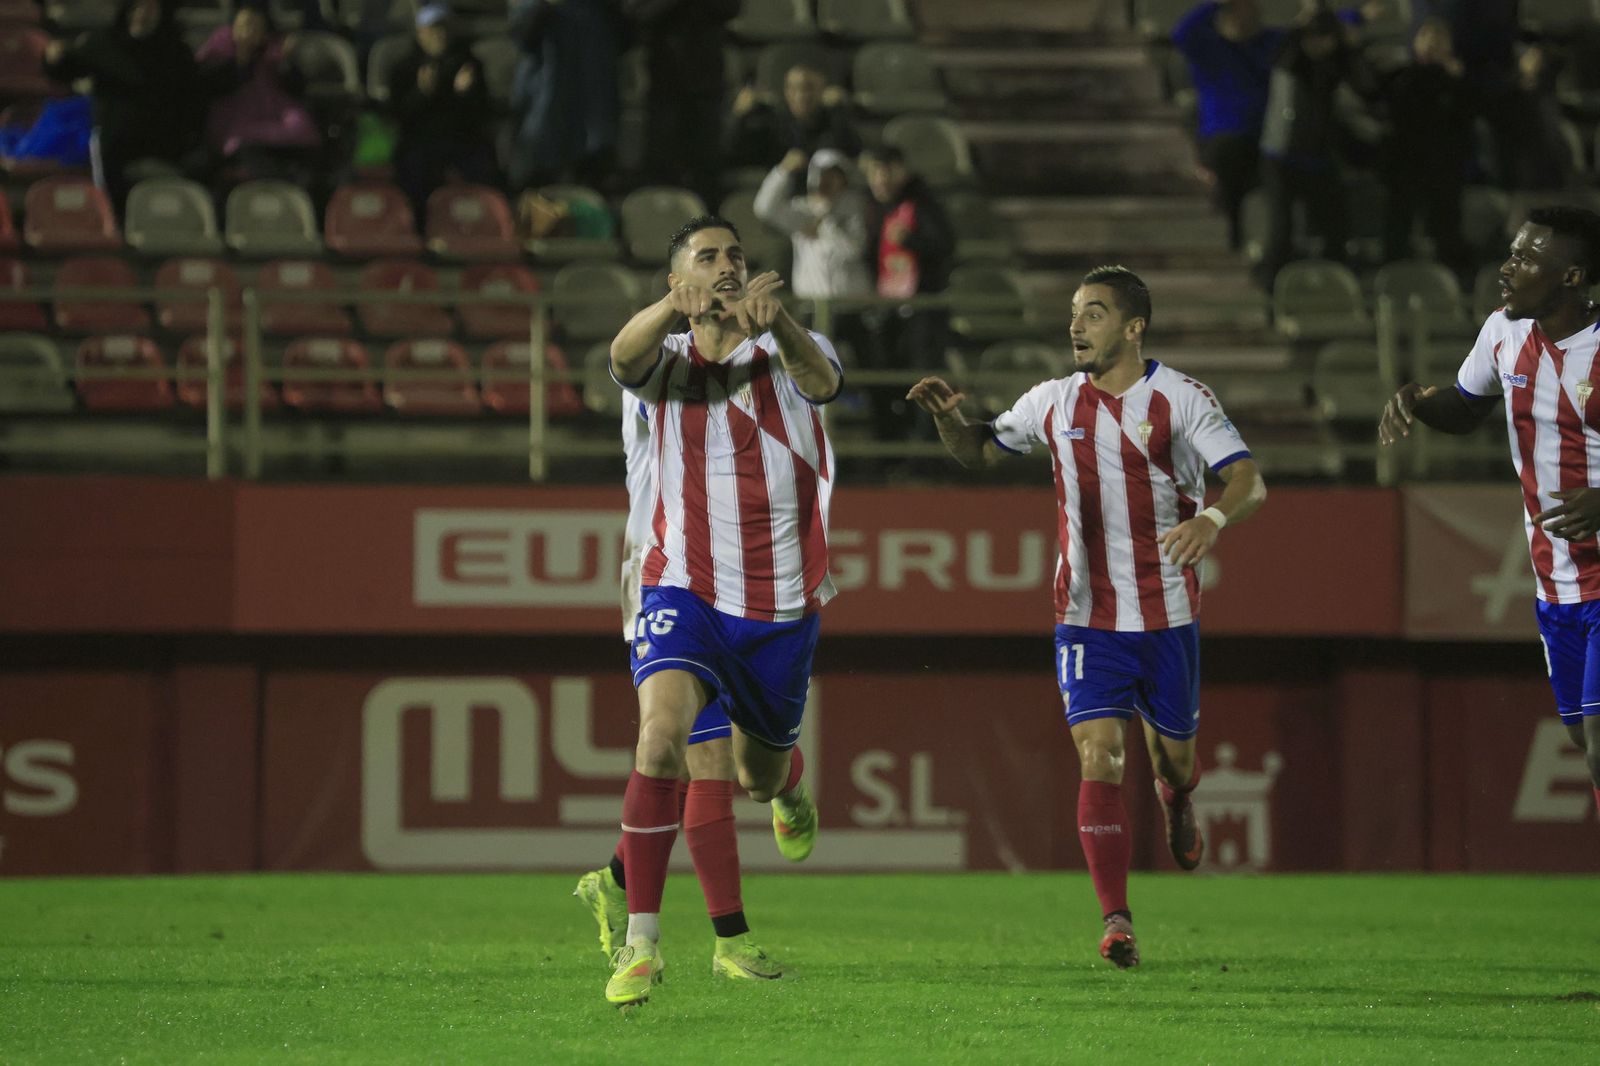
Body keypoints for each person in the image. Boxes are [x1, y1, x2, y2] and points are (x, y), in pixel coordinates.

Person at [907, 265, 1267, 968]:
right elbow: (980, 449)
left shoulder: (1181, 398)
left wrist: (1213, 519)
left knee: (1175, 761)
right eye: (1074, 312)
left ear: (1134, 328)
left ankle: (1177, 796)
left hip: (1166, 614)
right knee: (1100, 755)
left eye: (1094, 313)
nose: (1076, 325)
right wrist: (951, 422)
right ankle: (1116, 919)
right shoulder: (1052, 400)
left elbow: (1249, 480)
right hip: (1085, 616)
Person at [601, 216, 841, 1007]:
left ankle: (787, 784)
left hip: (778, 603)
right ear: (680, 281)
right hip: (682, 586)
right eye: (708, 257)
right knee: (661, 741)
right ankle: (642, 945)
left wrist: (785, 325)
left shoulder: (789, 347)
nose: (728, 265)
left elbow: (823, 383)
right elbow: (621, 359)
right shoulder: (662, 357)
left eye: (736, 254)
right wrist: (671, 308)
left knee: (755, 775)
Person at [1379, 206, 1600, 819]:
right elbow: (1466, 406)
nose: (1508, 267)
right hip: (1557, 584)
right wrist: (1420, 402)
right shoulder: (1503, 332)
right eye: (1512, 252)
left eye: (1527, 258)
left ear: (1572, 277)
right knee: (1583, 739)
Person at [570, 398, 792, 986]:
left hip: (729, 572)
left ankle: (618, 881)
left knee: (712, 759)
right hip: (668, 572)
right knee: (705, 753)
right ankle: (727, 940)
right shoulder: (662, 368)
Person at [42, 0, 206, 217]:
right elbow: (69, 69)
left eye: (151, 9)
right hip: (115, 142)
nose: (142, 14)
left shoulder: (177, 52)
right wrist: (54, 60)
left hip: (163, 144)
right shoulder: (106, 44)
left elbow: (192, 100)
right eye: (138, 7)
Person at [1171, 0, 1282, 252]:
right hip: (1224, 138)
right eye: (1237, 11)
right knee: (1227, 189)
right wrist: (1217, 3)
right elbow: (1182, 33)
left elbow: (1309, 35)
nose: (1244, 17)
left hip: (1264, 138)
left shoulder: (1267, 43)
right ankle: (1230, 245)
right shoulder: (1209, 46)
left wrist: (1357, 16)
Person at [862, 145, 954, 444]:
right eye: (875, 172)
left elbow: (945, 246)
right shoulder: (875, 206)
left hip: (923, 310)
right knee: (888, 378)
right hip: (890, 309)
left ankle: (926, 456)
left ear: (901, 171)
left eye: (886, 171)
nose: (880, 179)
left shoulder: (923, 202)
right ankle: (894, 451)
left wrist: (911, 240)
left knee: (924, 381)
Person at [1257, 11, 1356, 287]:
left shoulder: (1335, 65)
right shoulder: (1290, 60)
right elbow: (1288, 54)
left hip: (1318, 157)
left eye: (1324, 38)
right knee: (1281, 228)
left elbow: (1363, 83)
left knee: (1335, 226)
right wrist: (1300, 26)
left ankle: (1336, 283)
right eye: (1312, 37)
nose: (1318, 44)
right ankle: (1271, 284)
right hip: (1281, 156)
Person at [752, 147, 874, 367]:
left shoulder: (854, 206)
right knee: (815, 370)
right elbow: (764, 208)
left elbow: (854, 249)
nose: (828, 181)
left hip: (852, 308)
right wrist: (783, 171)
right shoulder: (802, 209)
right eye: (823, 175)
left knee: (868, 367)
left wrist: (825, 225)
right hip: (813, 309)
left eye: (834, 175)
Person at [1369, 17, 1472, 272]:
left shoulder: (1457, 81)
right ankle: (1393, 275)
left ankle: (1450, 278)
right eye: (1426, 38)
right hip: (1405, 164)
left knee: (1446, 228)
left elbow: (1466, 119)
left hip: (1443, 166)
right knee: (1398, 225)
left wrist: (1456, 81)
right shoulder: (1401, 76)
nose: (1431, 45)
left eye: (1439, 40)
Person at [194, 2, 322, 193]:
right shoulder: (219, 48)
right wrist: (241, 59)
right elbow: (210, 85)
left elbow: (297, 89)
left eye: (256, 26)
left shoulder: (273, 50)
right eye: (245, 25)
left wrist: (286, 62)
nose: (250, 31)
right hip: (237, 125)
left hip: (276, 123)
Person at [388, 4, 499, 222]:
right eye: (432, 29)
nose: (439, 35)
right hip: (420, 142)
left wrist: (464, 94)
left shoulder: (468, 66)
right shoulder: (404, 68)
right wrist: (422, 93)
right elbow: (399, 116)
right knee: (415, 168)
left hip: (462, 140)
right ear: (420, 33)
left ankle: (484, 225)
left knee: (483, 166)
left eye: (444, 28)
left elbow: (481, 114)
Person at [625, 0, 739, 209]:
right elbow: (636, 12)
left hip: (707, 81)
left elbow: (732, 7)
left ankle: (708, 218)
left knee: (706, 164)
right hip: (665, 83)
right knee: (661, 161)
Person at [507, 0, 624, 193]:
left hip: (593, 108)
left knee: (591, 188)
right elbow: (520, 36)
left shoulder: (599, 9)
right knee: (537, 186)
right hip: (546, 106)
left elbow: (624, 36)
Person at [724, 64, 862, 191]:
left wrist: (844, 105)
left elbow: (854, 153)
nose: (800, 95)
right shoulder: (772, 120)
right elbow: (730, 153)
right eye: (793, 88)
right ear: (786, 92)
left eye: (808, 88)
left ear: (822, 90)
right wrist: (738, 115)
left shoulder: (834, 120)